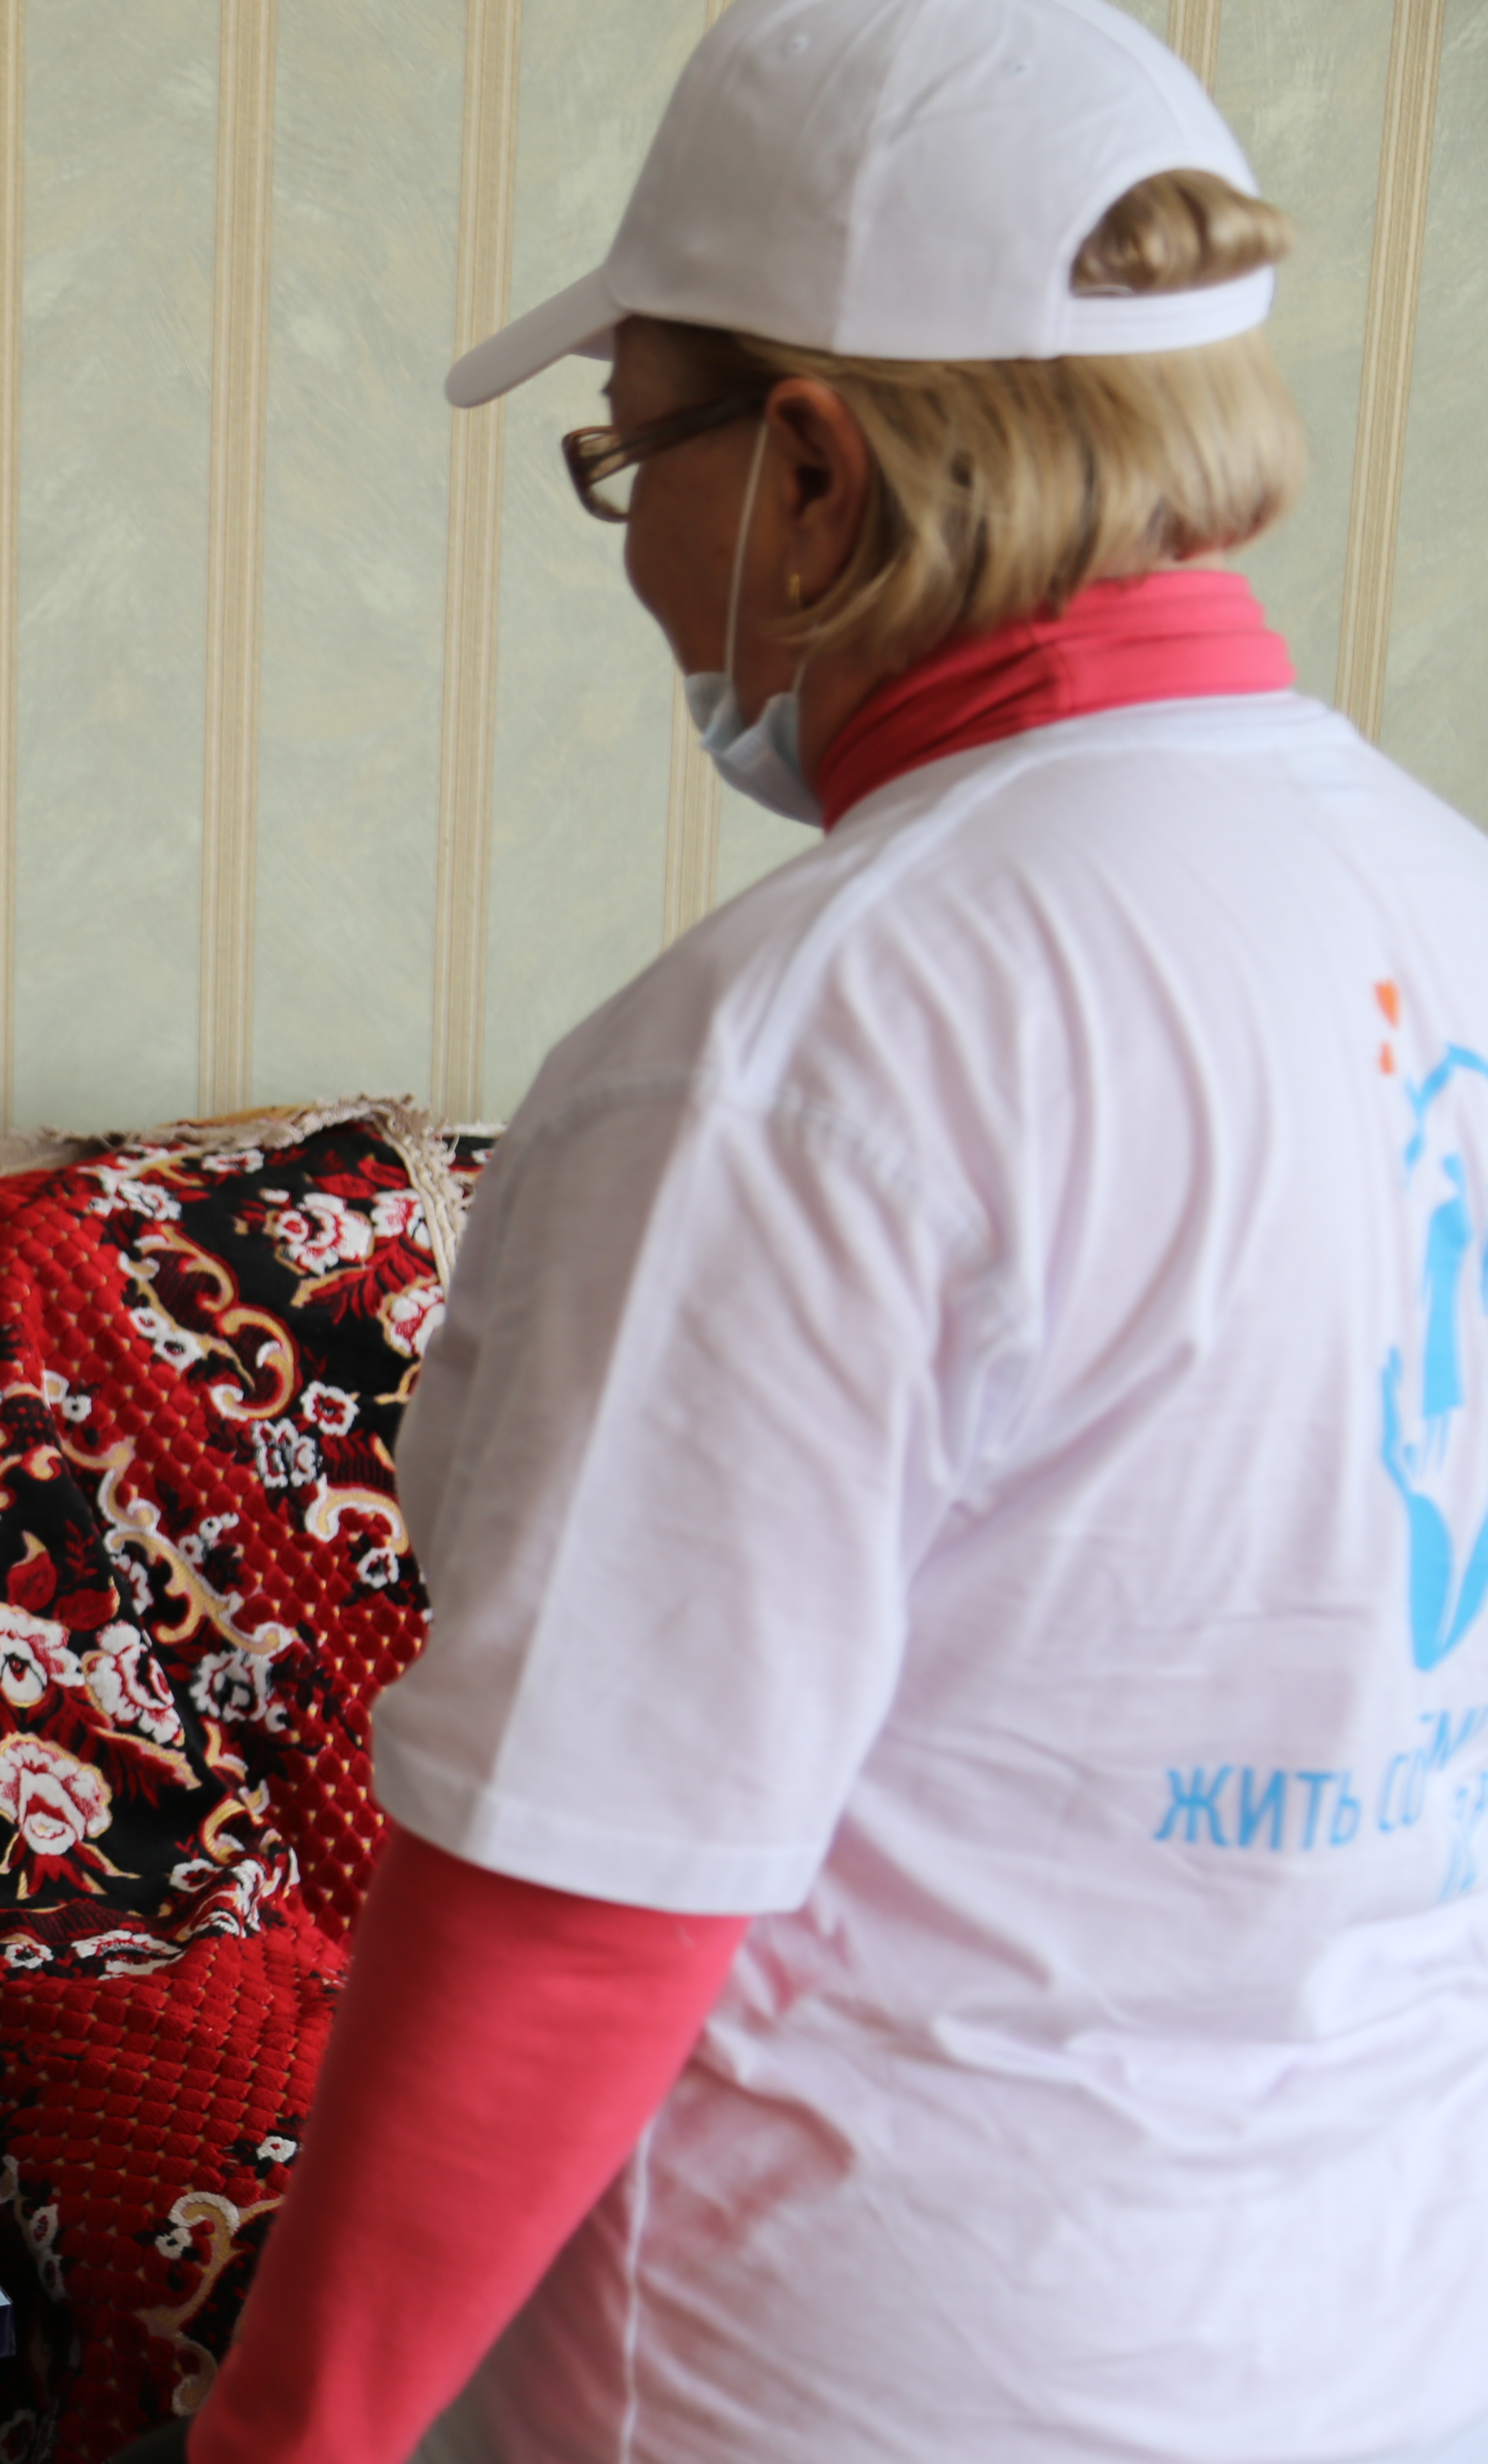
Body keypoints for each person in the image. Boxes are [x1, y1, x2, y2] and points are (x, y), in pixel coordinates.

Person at [128, 1, 1488, 2459]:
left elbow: (572, 1903)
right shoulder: (1435, 899)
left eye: (626, 452)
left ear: (816, 473)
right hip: (1371, 2337)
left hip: (863, 2375)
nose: (637, 541)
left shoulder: (795, 1054)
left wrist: (283, 2440)